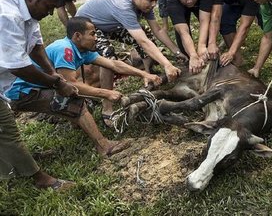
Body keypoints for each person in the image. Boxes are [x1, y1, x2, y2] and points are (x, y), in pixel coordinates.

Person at [6, 17, 161, 157]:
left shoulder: (82, 50)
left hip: (39, 86)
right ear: (78, 36)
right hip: (22, 93)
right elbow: (70, 84)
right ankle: (104, 146)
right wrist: (106, 93)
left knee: (73, 99)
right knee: (75, 104)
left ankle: (75, 122)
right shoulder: (65, 49)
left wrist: (144, 74)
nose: (96, 38)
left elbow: (114, 64)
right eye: (92, 34)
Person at [0, 0, 78, 190]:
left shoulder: (28, 7)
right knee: (5, 130)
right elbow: (19, 67)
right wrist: (56, 83)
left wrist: (53, 73)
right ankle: (40, 179)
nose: (51, 14)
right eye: (49, 7)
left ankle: (18, 160)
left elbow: (35, 44)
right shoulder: (7, 14)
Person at [76, 0, 184, 125]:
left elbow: (157, 30)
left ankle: (148, 75)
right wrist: (167, 64)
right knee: (108, 57)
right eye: (150, 0)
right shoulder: (124, 6)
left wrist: (177, 52)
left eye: (155, 0)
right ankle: (107, 107)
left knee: (145, 32)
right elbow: (142, 41)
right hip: (88, 25)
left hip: (109, 22)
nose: (153, 4)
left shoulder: (143, 3)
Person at [209, 0, 262, 67]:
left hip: (255, 2)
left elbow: (245, 26)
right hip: (233, 5)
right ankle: (237, 58)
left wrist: (230, 52)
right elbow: (216, 17)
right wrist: (212, 43)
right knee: (224, 20)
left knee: (267, 25)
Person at [166, 0, 217, 74]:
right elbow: (183, 31)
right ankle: (189, 59)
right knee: (182, 34)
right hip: (178, 6)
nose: (189, 1)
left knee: (205, 38)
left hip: (201, 0)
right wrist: (193, 55)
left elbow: (204, 20)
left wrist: (202, 46)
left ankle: (205, 55)